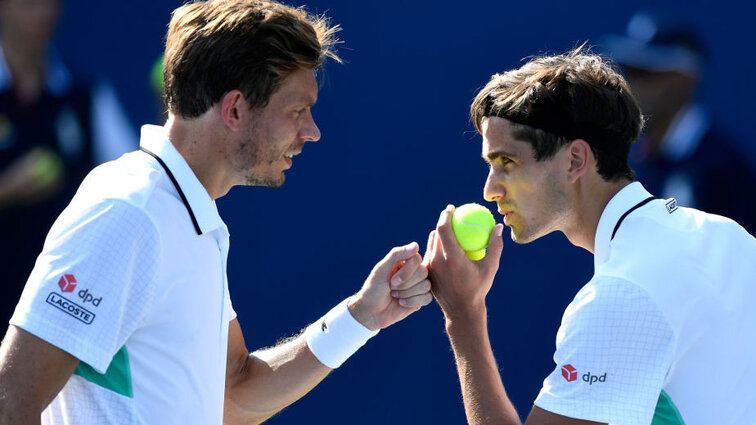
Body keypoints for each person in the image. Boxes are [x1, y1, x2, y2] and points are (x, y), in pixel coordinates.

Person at [0, 1, 433, 424]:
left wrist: (362, 316)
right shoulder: (129, 211)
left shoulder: (187, 214)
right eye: (297, 110)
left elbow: (232, 396)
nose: (311, 132)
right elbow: (11, 401)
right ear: (235, 110)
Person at [424, 47, 756, 424]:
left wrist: (463, 316)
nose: (490, 190)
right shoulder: (729, 237)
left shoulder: (621, 296)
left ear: (575, 160)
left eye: (507, 163)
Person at [0, 0, 137, 326]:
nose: (45, 14)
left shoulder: (86, 97)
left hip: (60, 311)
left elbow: (137, 190)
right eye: (30, 4)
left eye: (52, 3)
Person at [600, 11, 755, 234]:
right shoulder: (641, 159)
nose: (633, 85)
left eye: (647, 73)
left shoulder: (724, 170)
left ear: (685, 80)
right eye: (630, 72)